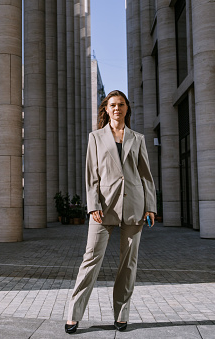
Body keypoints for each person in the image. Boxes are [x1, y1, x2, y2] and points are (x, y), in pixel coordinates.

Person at [65, 90, 156, 334]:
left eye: (121, 105)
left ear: (127, 108)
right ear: (106, 109)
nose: (117, 108)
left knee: (128, 265)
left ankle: (121, 314)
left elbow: (146, 176)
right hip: (103, 209)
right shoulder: (95, 137)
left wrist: (151, 207)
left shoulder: (138, 138)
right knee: (91, 259)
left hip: (134, 207)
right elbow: (91, 174)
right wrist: (93, 204)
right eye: (113, 105)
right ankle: (74, 314)